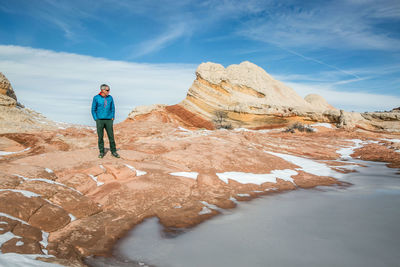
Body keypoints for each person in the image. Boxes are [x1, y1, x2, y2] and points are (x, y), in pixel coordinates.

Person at [91, 84, 120, 158]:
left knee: (111, 136)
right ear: (102, 90)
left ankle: (113, 152)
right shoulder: (96, 98)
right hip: (99, 120)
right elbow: (93, 109)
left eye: (109, 90)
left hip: (109, 120)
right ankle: (101, 152)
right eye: (107, 90)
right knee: (100, 137)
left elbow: (113, 108)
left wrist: (112, 117)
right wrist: (96, 119)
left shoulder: (110, 98)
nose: (108, 91)